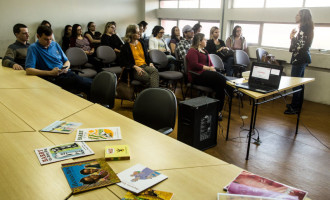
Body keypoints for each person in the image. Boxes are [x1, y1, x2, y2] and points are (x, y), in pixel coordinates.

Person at [25, 25, 92, 96]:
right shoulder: (33, 48)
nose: (49, 42)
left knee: (86, 82)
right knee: (82, 82)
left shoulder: (55, 44)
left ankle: (97, 99)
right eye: (46, 39)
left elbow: (67, 61)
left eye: (50, 39)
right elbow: (29, 70)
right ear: (38, 36)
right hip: (52, 77)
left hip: (64, 73)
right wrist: (50, 73)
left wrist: (65, 67)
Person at [186, 33, 227, 119]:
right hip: (197, 75)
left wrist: (213, 69)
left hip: (206, 75)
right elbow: (194, 65)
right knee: (222, 81)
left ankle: (217, 110)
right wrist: (208, 68)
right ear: (199, 41)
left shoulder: (205, 51)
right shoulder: (192, 51)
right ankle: (230, 91)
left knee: (220, 86)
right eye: (205, 39)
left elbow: (210, 63)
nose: (206, 41)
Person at [285, 9, 314, 115]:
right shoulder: (307, 28)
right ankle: (297, 104)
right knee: (299, 83)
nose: (296, 16)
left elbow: (298, 47)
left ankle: (295, 107)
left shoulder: (303, 29)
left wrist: (292, 38)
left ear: (303, 16)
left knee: (296, 83)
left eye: (298, 15)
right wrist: (292, 37)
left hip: (300, 59)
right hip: (303, 58)